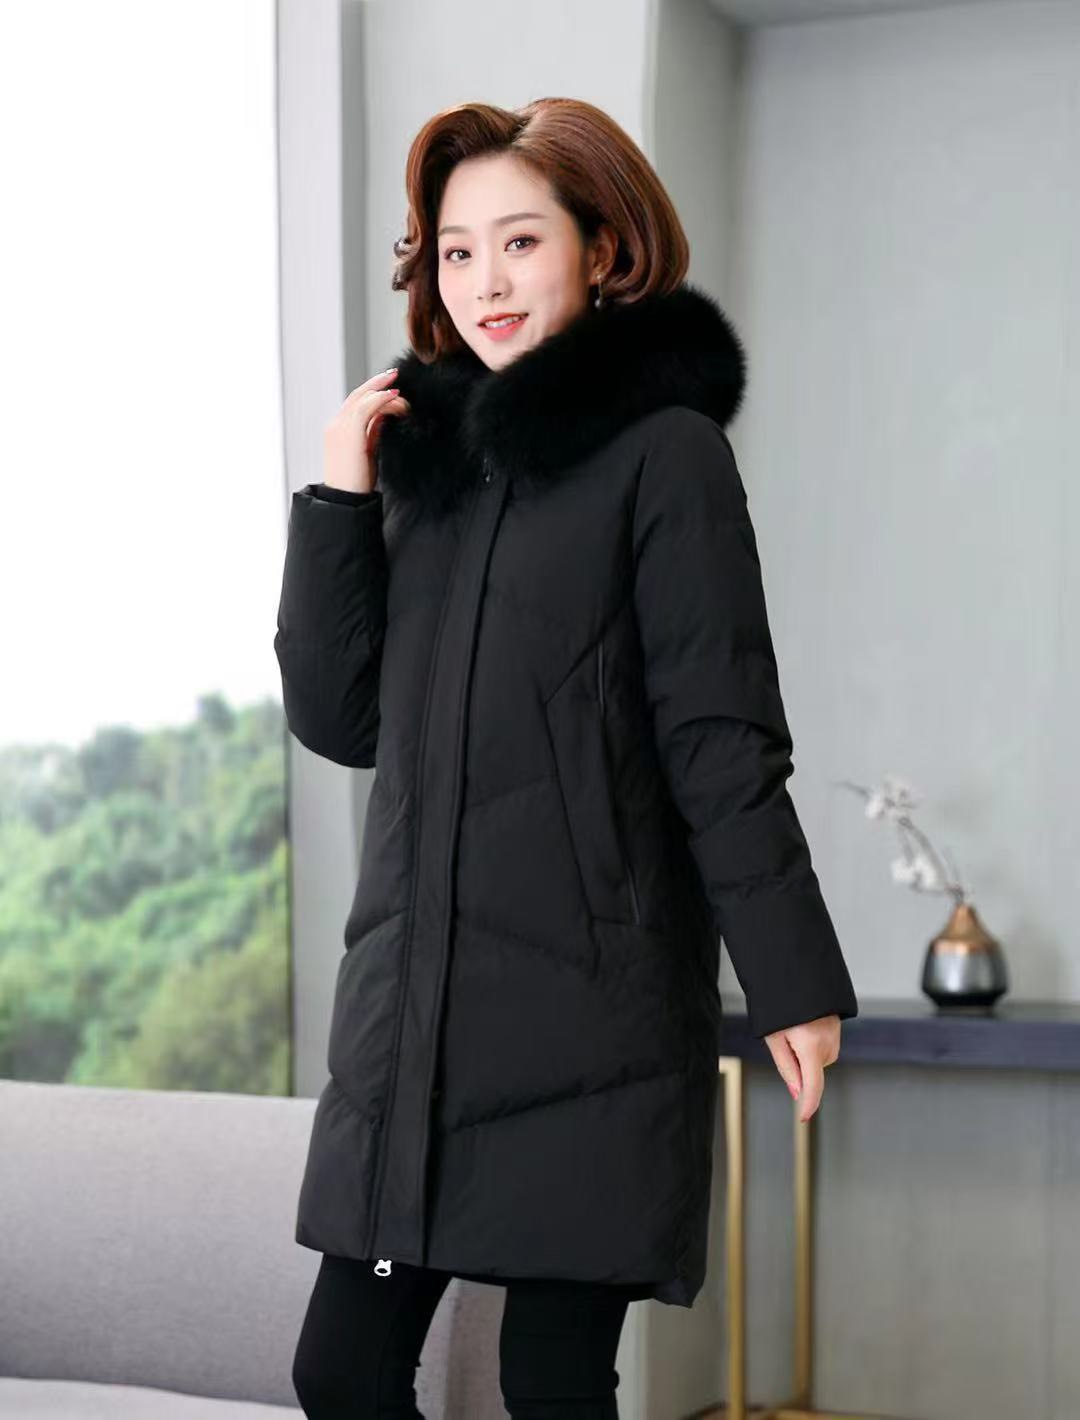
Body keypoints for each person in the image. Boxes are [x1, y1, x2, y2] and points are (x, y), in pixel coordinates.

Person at [276, 97, 859, 1420]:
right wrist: (338, 498)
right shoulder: (423, 470)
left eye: (520, 242)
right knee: (341, 1372)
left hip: (592, 1023)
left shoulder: (667, 455)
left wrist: (790, 980)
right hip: (412, 1019)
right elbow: (342, 721)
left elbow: (719, 739)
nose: (484, 280)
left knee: (549, 1384)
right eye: (457, 251)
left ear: (602, 249)